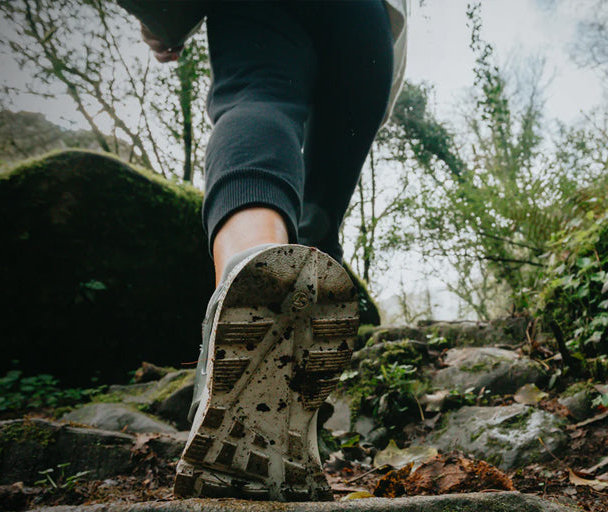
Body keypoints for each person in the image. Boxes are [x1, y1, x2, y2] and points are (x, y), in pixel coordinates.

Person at [117, 0, 407, 502]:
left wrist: (159, 15)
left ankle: (248, 270)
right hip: (368, 18)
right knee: (320, 209)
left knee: (258, 100)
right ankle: (295, 425)